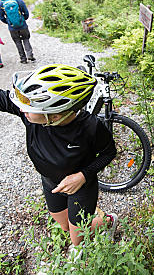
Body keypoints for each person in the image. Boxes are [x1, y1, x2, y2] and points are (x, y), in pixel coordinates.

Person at [0, 64, 118, 272]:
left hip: (81, 187)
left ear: (54, 115)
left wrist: (82, 176)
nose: (23, 109)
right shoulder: (32, 117)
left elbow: (109, 153)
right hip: (50, 182)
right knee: (64, 225)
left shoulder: (91, 127)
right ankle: (92, 222)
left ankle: (106, 222)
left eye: (30, 107)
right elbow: (4, 99)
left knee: (77, 237)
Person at [0, 0, 36, 64]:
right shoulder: (18, 0)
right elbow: (26, 12)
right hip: (22, 24)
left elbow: (1, 17)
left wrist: (8, 22)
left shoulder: (1, 3)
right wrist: (23, 19)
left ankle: (23, 59)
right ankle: (30, 54)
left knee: (17, 41)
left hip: (12, 27)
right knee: (26, 38)